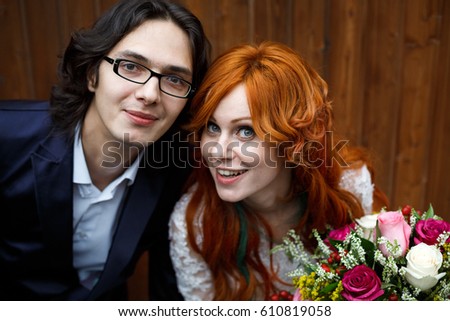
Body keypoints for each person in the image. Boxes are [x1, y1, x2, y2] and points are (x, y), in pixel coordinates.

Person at [0, 0, 210, 300]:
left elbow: (169, 284)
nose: (149, 94)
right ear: (92, 74)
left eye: (175, 80)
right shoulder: (6, 136)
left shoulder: (179, 171)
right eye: (130, 66)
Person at [168, 41, 388, 300]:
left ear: (292, 139)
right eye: (213, 127)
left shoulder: (348, 187)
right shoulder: (195, 223)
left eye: (245, 131)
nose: (218, 151)